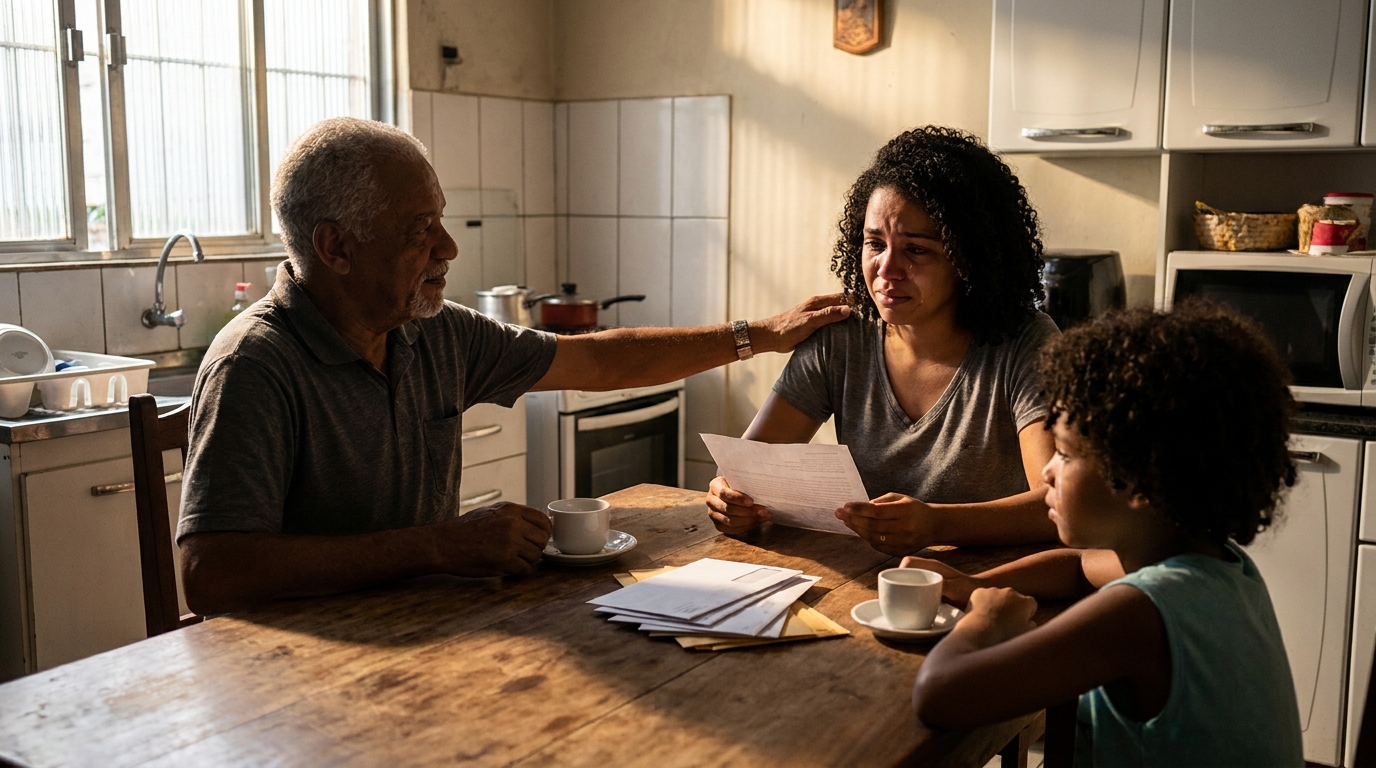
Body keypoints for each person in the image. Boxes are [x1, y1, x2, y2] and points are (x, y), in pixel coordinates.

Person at [176, 117, 850, 615]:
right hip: (292, 675)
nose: (448, 247)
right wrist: (438, 547)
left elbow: (600, 360)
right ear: (337, 248)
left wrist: (758, 334)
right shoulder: (256, 365)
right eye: (420, 229)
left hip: (427, 630)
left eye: (441, 220)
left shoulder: (431, 332)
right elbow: (212, 573)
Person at [908, 301, 1304, 766]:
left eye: (1066, 454)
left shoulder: (1138, 614)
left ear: (1138, 480)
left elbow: (939, 694)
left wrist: (986, 619)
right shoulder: (1218, 565)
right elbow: (1077, 567)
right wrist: (975, 584)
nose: (1048, 473)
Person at [707, 126, 1058, 555]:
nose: (886, 269)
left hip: (988, 586)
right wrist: (730, 498)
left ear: (970, 260)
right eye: (875, 244)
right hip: (865, 586)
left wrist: (937, 523)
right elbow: (749, 467)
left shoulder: (1026, 343)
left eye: (916, 250)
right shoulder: (841, 338)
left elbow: (1055, 504)